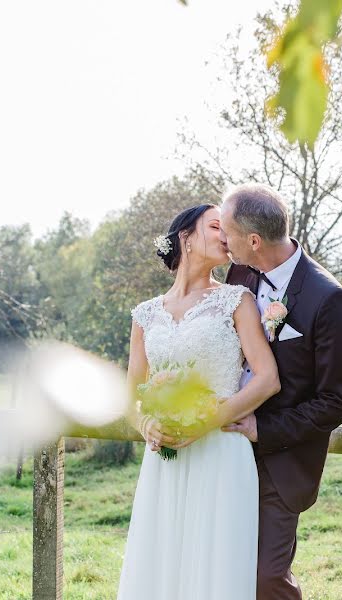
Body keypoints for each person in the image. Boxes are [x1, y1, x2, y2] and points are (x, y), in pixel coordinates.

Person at [118, 203, 279, 599]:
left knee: (215, 572)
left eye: (228, 229)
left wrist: (206, 422)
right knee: (161, 569)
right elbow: (130, 398)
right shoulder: (145, 315)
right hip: (165, 462)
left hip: (221, 452)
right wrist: (147, 425)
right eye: (215, 227)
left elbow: (268, 378)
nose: (226, 236)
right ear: (186, 237)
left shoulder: (237, 301)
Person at [220, 184, 342, 599]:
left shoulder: (326, 298)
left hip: (280, 461)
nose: (223, 241)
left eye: (227, 232)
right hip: (224, 452)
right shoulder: (239, 273)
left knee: (266, 578)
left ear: (254, 240)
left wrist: (265, 429)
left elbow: (337, 400)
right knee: (225, 571)